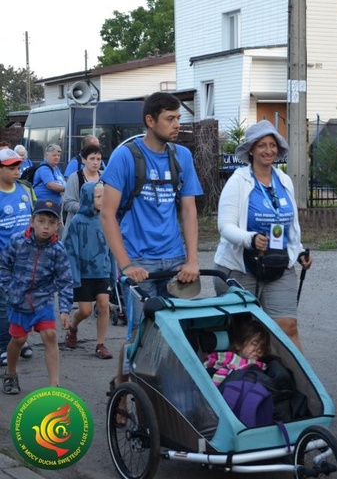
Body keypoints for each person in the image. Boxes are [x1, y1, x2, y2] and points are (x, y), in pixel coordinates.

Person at [100, 91, 202, 388]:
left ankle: (162, 399)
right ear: (150, 120)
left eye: (179, 118)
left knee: (176, 335)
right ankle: (125, 390)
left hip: (174, 260)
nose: (176, 125)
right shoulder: (126, 156)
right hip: (139, 261)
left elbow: (189, 210)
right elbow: (107, 215)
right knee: (138, 335)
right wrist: (126, 265)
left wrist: (192, 259)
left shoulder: (181, 156)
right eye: (170, 119)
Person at [213, 120, 311, 350]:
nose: (268, 150)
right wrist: (250, 238)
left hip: (278, 265)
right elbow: (225, 226)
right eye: (262, 145)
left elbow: (291, 226)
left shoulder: (284, 180)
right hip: (240, 267)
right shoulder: (238, 181)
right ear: (251, 150)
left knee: (288, 326)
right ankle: (243, 383)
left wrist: (299, 252)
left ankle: (297, 384)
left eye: (272, 145)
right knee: (245, 334)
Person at [0, 200, 73, 394]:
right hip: (18, 300)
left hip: (43, 300)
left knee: (50, 335)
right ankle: (10, 373)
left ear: (58, 225)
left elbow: (65, 280)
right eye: (41, 221)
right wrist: (8, 288)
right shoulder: (17, 241)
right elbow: (3, 266)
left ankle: (54, 385)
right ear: (32, 222)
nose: (46, 227)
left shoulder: (58, 250)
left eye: (51, 223)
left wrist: (65, 309)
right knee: (18, 340)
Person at [62, 182, 115, 360]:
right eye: (98, 197)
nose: (102, 200)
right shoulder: (77, 221)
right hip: (83, 274)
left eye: (103, 196)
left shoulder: (106, 218)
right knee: (85, 310)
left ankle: (100, 344)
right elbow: (70, 251)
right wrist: (74, 277)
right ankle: (73, 327)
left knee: (103, 304)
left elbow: (112, 248)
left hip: (102, 271)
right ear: (87, 198)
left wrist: (113, 273)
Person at [0, 149, 35, 367]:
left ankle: (22, 340)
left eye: (18, 167)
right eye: (11, 168)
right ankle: (5, 345)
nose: (17, 172)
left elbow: (34, 220)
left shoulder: (24, 189)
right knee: (5, 305)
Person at [203, 316, 271, 386]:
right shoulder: (224, 357)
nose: (259, 350)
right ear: (238, 344)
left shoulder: (260, 367)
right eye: (254, 344)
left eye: (263, 347)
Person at [62, 143, 103, 238]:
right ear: (84, 160)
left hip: (99, 228)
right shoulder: (75, 177)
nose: (96, 162)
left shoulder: (105, 177)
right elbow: (67, 203)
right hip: (78, 229)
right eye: (92, 159)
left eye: (98, 159)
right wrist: (89, 207)